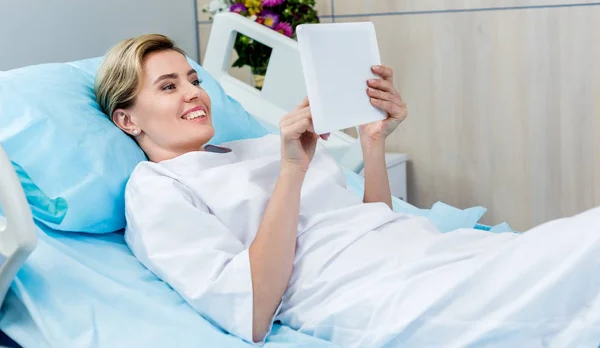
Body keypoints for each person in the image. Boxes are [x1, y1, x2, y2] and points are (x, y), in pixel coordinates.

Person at [95, 34, 600, 347]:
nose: (194, 93)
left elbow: (368, 220)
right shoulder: (157, 189)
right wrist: (292, 171)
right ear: (125, 118)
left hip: (419, 249)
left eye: (193, 78)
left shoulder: (256, 147)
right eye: (168, 86)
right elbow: (250, 311)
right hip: (366, 293)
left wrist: (372, 143)